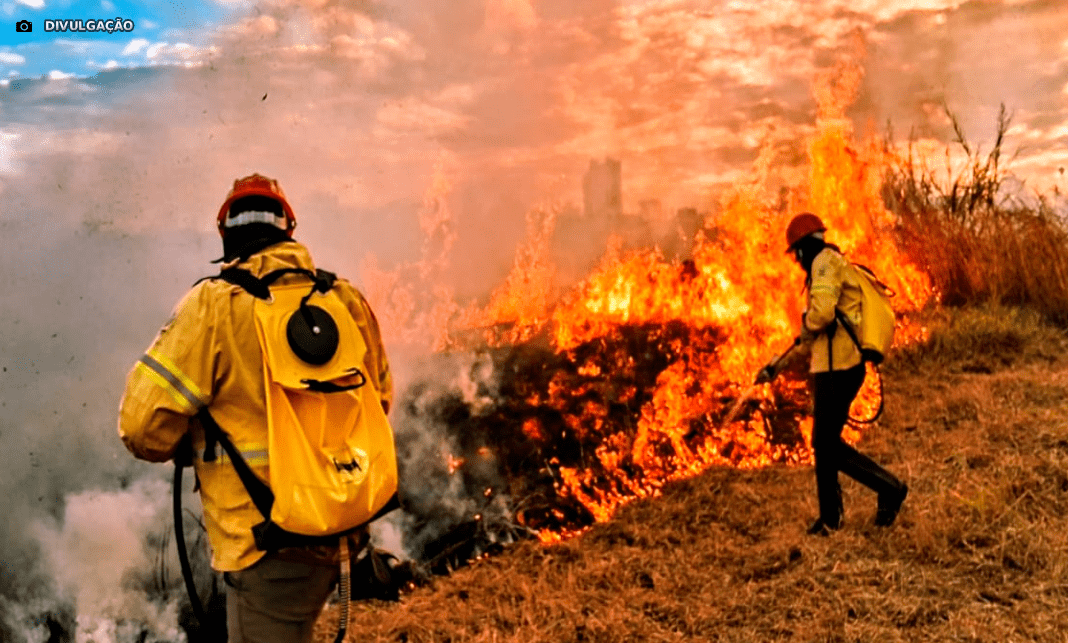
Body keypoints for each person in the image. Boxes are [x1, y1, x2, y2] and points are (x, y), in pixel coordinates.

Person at [118, 173, 394, 642]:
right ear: (289, 229)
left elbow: (140, 427)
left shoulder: (214, 306)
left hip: (268, 544)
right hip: (344, 528)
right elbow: (379, 400)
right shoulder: (345, 298)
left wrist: (191, 434)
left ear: (225, 234)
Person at [758, 212, 907, 535]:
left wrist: (807, 321)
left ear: (801, 248)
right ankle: (830, 519)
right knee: (824, 444)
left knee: (826, 444)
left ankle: (889, 487)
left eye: (795, 254)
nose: (796, 261)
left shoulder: (824, 263)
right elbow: (811, 336)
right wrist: (776, 367)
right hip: (833, 368)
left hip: (840, 368)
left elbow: (821, 316)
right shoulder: (828, 265)